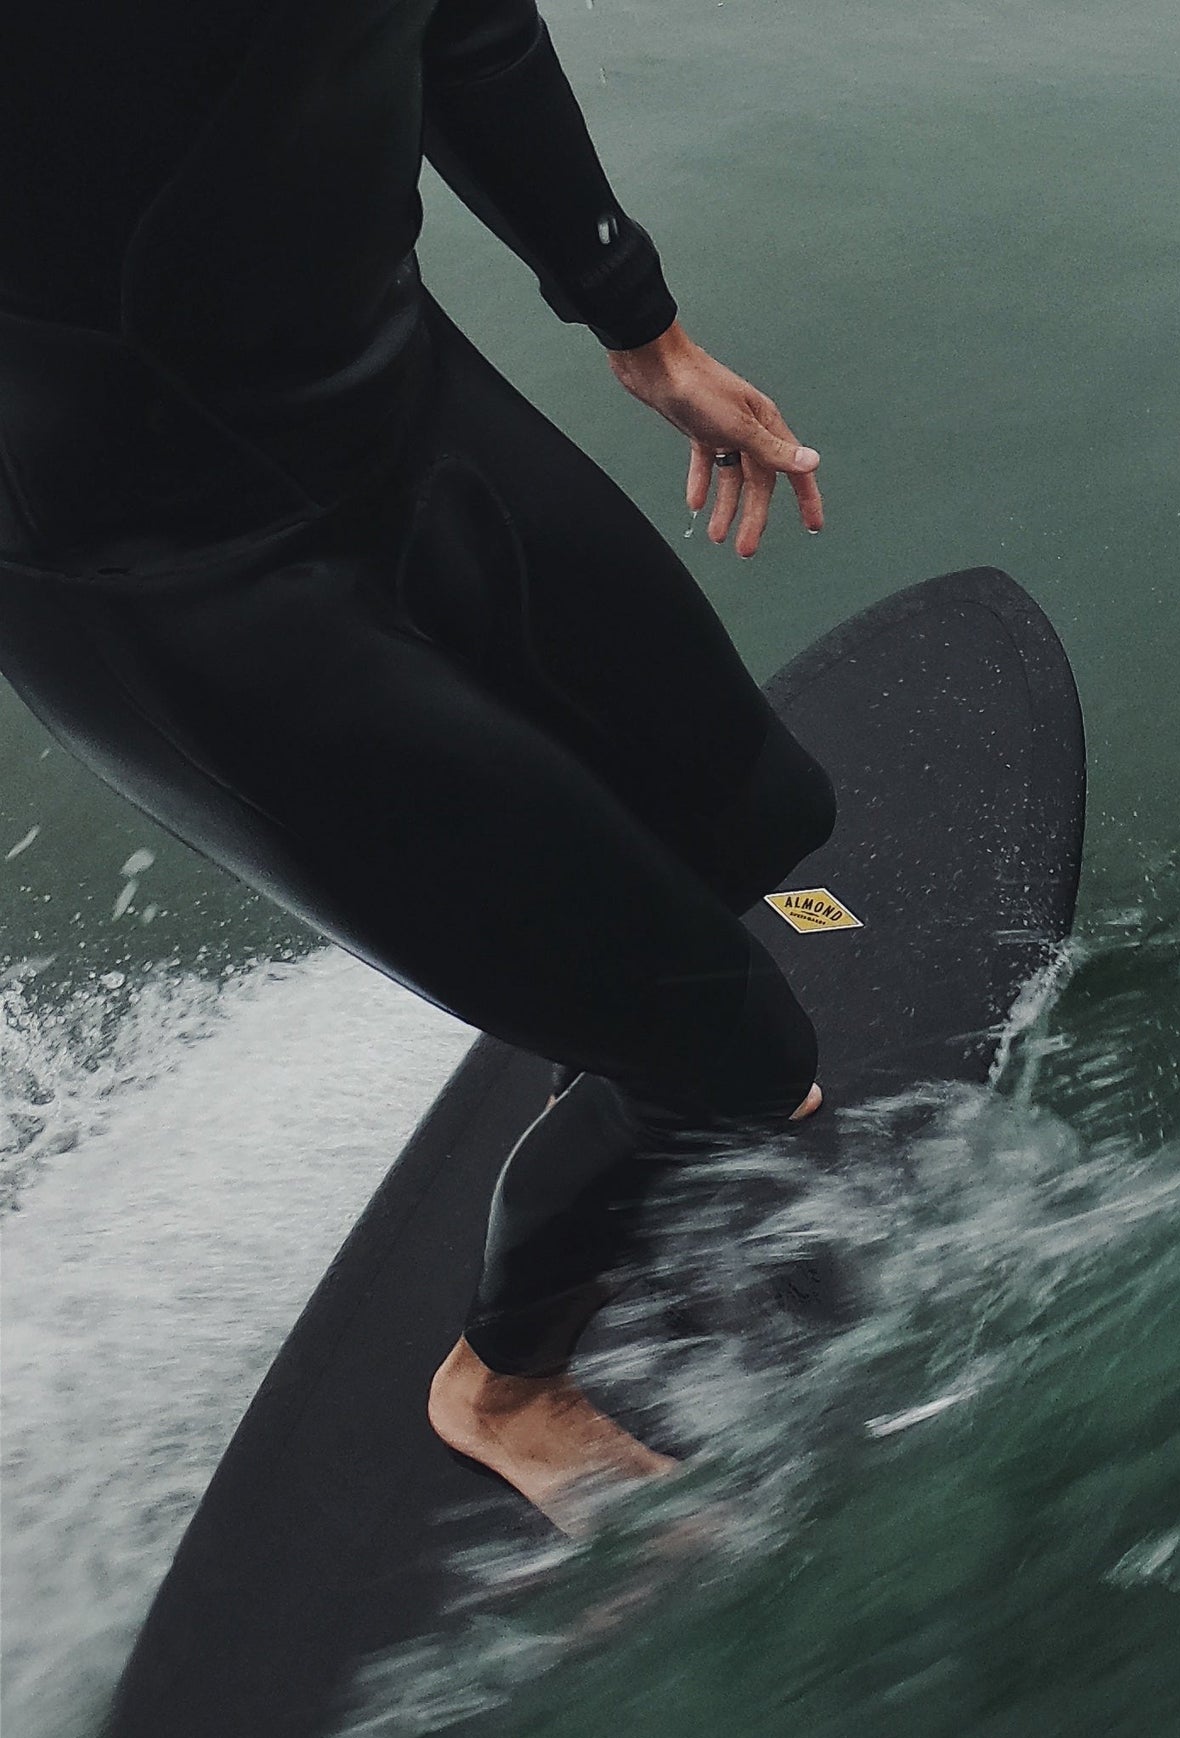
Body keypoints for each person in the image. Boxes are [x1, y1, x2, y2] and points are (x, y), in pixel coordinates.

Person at [0, 0, 832, 1534]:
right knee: (739, 1055)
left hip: (398, 406)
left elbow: (466, 28)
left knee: (756, 820)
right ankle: (503, 1391)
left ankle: (613, 1053)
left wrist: (641, 327)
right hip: (175, 589)